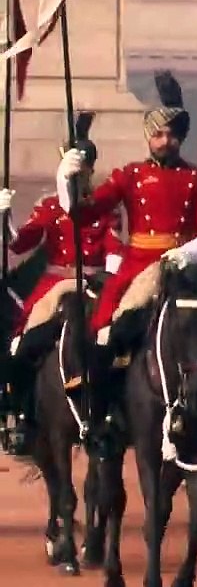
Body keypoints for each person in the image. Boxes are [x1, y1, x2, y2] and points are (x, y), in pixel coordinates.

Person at [56, 70, 197, 457]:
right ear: (149, 137)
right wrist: (69, 179)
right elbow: (86, 211)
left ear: (180, 137)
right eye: (158, 134)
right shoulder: (129, 175)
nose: (165, 141)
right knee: (105, 334)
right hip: (139, 268)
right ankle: (102, 414)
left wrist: (188, 253)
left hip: (188, 265)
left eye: (171, 135)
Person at [0, 112, 123, 456]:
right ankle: (21, 412)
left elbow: (115, 250)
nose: (77, 178)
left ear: (90, 172)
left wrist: (108, 282)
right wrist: (3, 219)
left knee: (118, 341)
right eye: (71, 172)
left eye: (82, 172)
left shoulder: (105, 208)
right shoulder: (49, 207)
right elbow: (19, 245)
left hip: (94, 282)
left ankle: (118, 409)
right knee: (22, 344)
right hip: (54, 285)